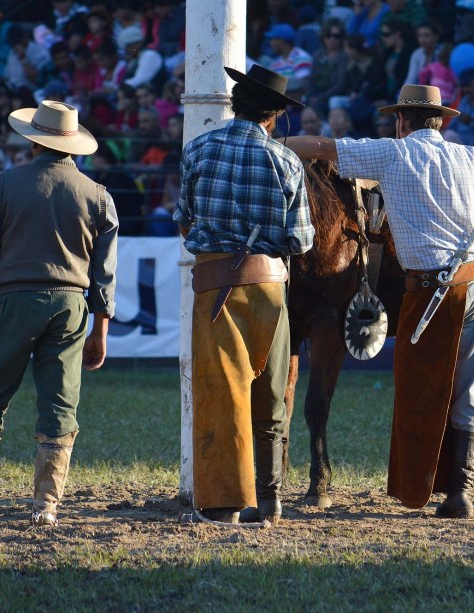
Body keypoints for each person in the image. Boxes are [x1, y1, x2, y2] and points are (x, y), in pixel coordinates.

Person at [284, 83, 474, 518]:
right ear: (442, 122)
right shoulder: (470, 156)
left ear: (401, 122)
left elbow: (319, 146)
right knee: (469, 384)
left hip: (430, 289)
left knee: (423, 387)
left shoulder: (392, 153)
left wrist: (272, 139)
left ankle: (463, 487)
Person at [0, 100, 118, 530]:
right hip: (71, 306)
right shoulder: (98, 196)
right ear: (73, 143)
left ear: (34, 142)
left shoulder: (6, 184)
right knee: (59, 404)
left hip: (13, 300)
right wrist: (100, 328)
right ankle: (45, 507)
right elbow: (104, 274)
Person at [174, 65, 314, 525]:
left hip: (213, 287)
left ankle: (222, 504)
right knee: (272, 396)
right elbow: (300, 241)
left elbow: (184, 219)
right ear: (274, 116)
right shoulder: (287, 161)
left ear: (234, 103)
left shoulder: (197, 149)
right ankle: (270, 502)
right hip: (269, 289)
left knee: (220, 393)